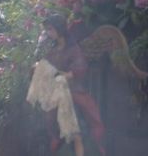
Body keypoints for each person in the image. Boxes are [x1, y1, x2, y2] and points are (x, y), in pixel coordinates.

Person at [25, 15, 105, 155]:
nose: (48, 33)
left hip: (73, 92)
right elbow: (46, 67)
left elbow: (78, 69)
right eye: (47, 30)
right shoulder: (53, 51)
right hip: (56, 91)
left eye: (50, 29)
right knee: (49, 111)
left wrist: (63, 75)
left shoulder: (73, 49)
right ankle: (56, 137)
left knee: (77, 126)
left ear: (59, 29)